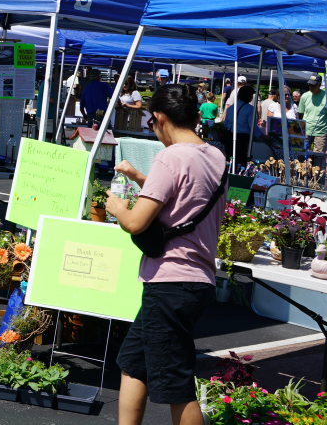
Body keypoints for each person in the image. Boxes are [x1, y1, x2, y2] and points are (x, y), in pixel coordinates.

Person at [107, 84, 225, 425]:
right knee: (133, 362)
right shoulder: (214, 155)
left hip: (170, 283)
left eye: (150, 124)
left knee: (175, 382)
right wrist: (139, 177)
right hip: (196, 281)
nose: (153, 131)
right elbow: (182, 194)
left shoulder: (171, 156)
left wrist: (117, 208)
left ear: (159, 118)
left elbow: (136, 222)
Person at [298, 75, 327, 165]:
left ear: (320, 85)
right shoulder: (305, 96)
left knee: (318, 156)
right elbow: (300, 113)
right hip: (306, 130)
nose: (311, 87)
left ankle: (317, 177)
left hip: (321, 131)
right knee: (302, 154)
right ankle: (302, 175)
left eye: (313, 85)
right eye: (309, 85)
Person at [221, 85, 256, 168]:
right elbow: (252, 127)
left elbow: (225, 124)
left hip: (229, 136)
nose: (252, 98)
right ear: (248, 96)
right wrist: (261, 135)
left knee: (230, 160)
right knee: (240, 161)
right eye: (251, 95)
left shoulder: (231, 108)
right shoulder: (250, 109)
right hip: (241, 138)